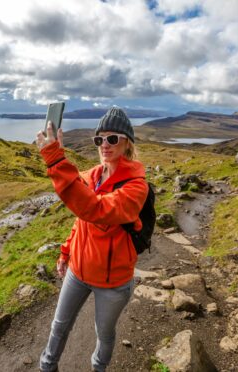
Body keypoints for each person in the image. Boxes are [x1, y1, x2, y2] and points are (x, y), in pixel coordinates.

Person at [35, 107, 149, 372]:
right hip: (78, 270)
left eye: (113, 138)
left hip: (113, 283)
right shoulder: (92, 175)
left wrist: (54, 159)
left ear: (127, 142)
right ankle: (47, 367)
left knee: (104, 334)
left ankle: (98, 368)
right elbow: (81, 220)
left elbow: (95, 210)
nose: (105, 145)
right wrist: (66, 252)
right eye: (100, 139)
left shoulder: (136, 186)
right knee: (59, 325)